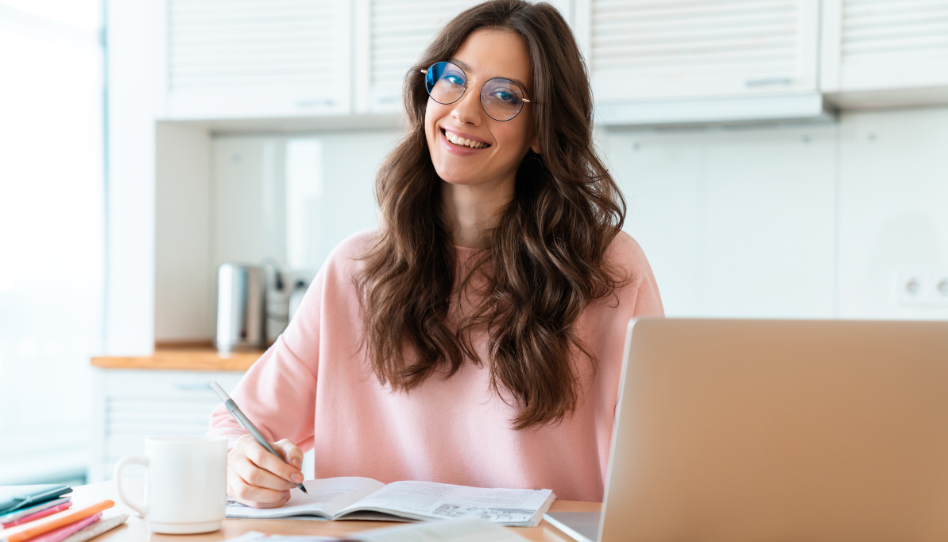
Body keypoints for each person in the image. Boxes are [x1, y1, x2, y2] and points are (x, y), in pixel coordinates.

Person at [208, 0, 663, 508]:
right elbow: (235, 426)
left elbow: (665, 462)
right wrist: (239, 462)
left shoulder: (609, 270)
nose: (464, 111)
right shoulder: (356, 271)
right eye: (453, 80)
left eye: (505, 95)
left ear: (541, 130)